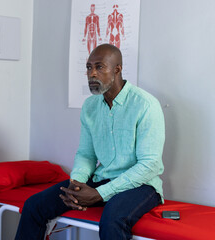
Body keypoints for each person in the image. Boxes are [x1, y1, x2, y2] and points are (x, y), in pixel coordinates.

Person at [15, 44, 165, 240]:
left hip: (141, 185)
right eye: (88, 67)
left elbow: (149, 165)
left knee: (113, 219)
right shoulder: (90, 106)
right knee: (34, 205)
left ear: (117, 69)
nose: (92, 73)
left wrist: (100, 193)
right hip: (102, 178)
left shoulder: (145, 105)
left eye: (99, 67)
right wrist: (77, 183)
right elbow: (86, 154)